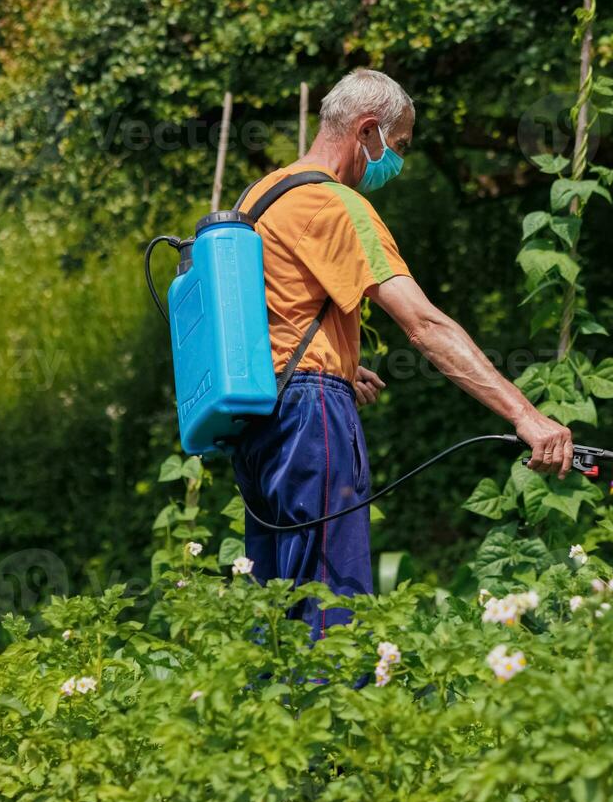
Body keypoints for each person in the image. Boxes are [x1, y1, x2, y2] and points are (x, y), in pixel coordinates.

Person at [232, 67, 573, 639]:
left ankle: (273, 720)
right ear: (368, 131)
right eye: (400, 146)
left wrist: (338, 362)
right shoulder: (335, 204)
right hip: (308, 420)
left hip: (257, 421)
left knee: (278, 602)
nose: (399, 163)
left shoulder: (264, 196)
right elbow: (424, 326)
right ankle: (340, 717)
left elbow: (270, 312)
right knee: (330, 597)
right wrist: (526, 416)